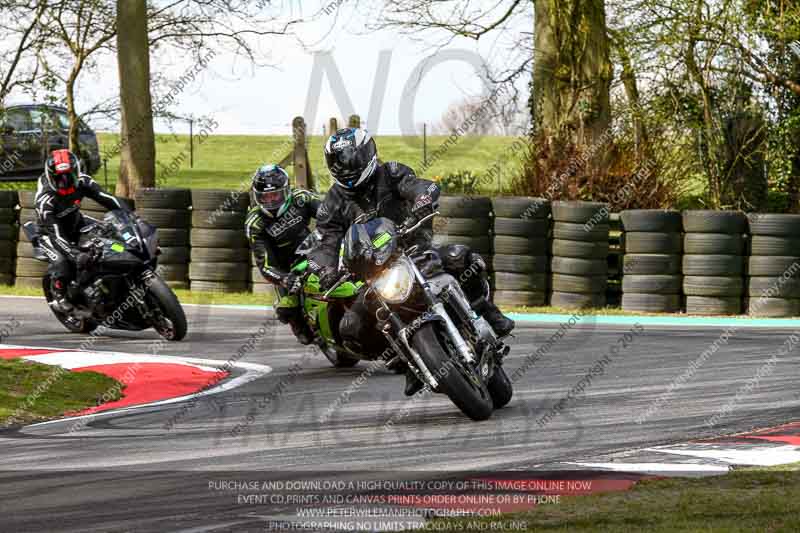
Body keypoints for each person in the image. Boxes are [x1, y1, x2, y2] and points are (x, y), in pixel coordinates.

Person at [311, 128, 514, 394]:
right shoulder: (332, 202)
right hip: (374, 272)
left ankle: (488, 313)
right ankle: (408, 361)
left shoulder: (391, 172)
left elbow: (419, 185)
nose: (346, 167)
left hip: (414, 249)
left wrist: (423, 200)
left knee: (462, 259)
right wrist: (325, 269)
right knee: (352, 328)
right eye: (338, 162)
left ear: (367, 153)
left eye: (350, 159)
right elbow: (326, 240)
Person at [34, 149, 127, 313]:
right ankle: (60, 292)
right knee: (63, 262)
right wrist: (75, 254)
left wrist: (128, 216)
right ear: (50, 176)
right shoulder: (45, 201)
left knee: (112, 242)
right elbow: (56, 234)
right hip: (49, 234)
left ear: (77, 171)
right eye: (59, 178)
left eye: (70, 176)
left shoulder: (84, 182)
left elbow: (108, 199)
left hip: (77, 224)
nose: (65, 182)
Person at [245, 164, 321, 345]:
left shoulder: (301, 198)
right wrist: (284, 278)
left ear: (286, 190)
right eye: (265, 196)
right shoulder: (255, 223)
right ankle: (299, 323)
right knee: (286, 310)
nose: (271, 201)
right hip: (286, 268)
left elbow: (330, 214)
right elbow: (265, 265)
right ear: (257, 196)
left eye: (275, 195)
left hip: (315, 251)